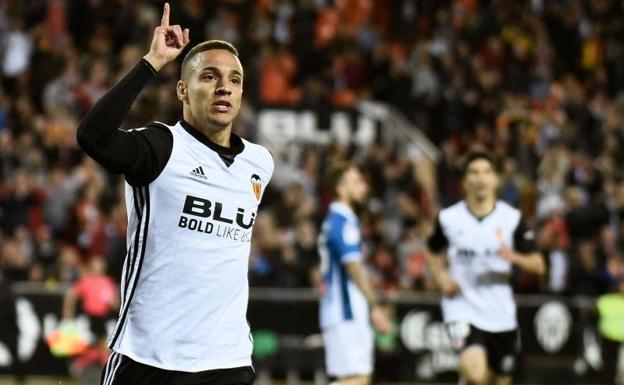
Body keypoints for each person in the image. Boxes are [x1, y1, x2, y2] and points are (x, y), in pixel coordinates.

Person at [75, 3, 274, 385]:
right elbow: (92, 136)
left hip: (226, 360)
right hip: (150, 357)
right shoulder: (161, 146)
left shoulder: (259, 163)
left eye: (234, 80)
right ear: (183, 89)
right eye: (210, 77)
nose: (224, 88)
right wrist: (152, 61)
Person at [425, 152, 545, 385]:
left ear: (496, 180)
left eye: (487, 172)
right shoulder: (449, 218)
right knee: (476, 374)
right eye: (474, 172)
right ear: (465, 181)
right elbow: (430, 250)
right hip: (462, 306)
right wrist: (441, 278)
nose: (481, 178)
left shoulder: (511, 219)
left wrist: (515, 258)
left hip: (500, 312)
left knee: (498, 380)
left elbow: (539, 265)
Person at [318, 163, 391, 385]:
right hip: (346, 312)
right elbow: (354, 268)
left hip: (337, 311)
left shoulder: (333, 222)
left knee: (353, 377)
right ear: (340, 188)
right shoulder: (343, 223)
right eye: (356, 182)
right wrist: (375, 307)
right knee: (357, 378)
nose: (364, 187)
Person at [63, 257, 118, 376]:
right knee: (102, 348)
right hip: (90, 318)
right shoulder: (86, 281)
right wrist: (68, 313)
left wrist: (110, 300)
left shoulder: (107, 282)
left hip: (103, 318)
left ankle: (79, 365)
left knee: (101, 348)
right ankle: (107, 372)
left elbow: (115, 304)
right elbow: (71, 295)